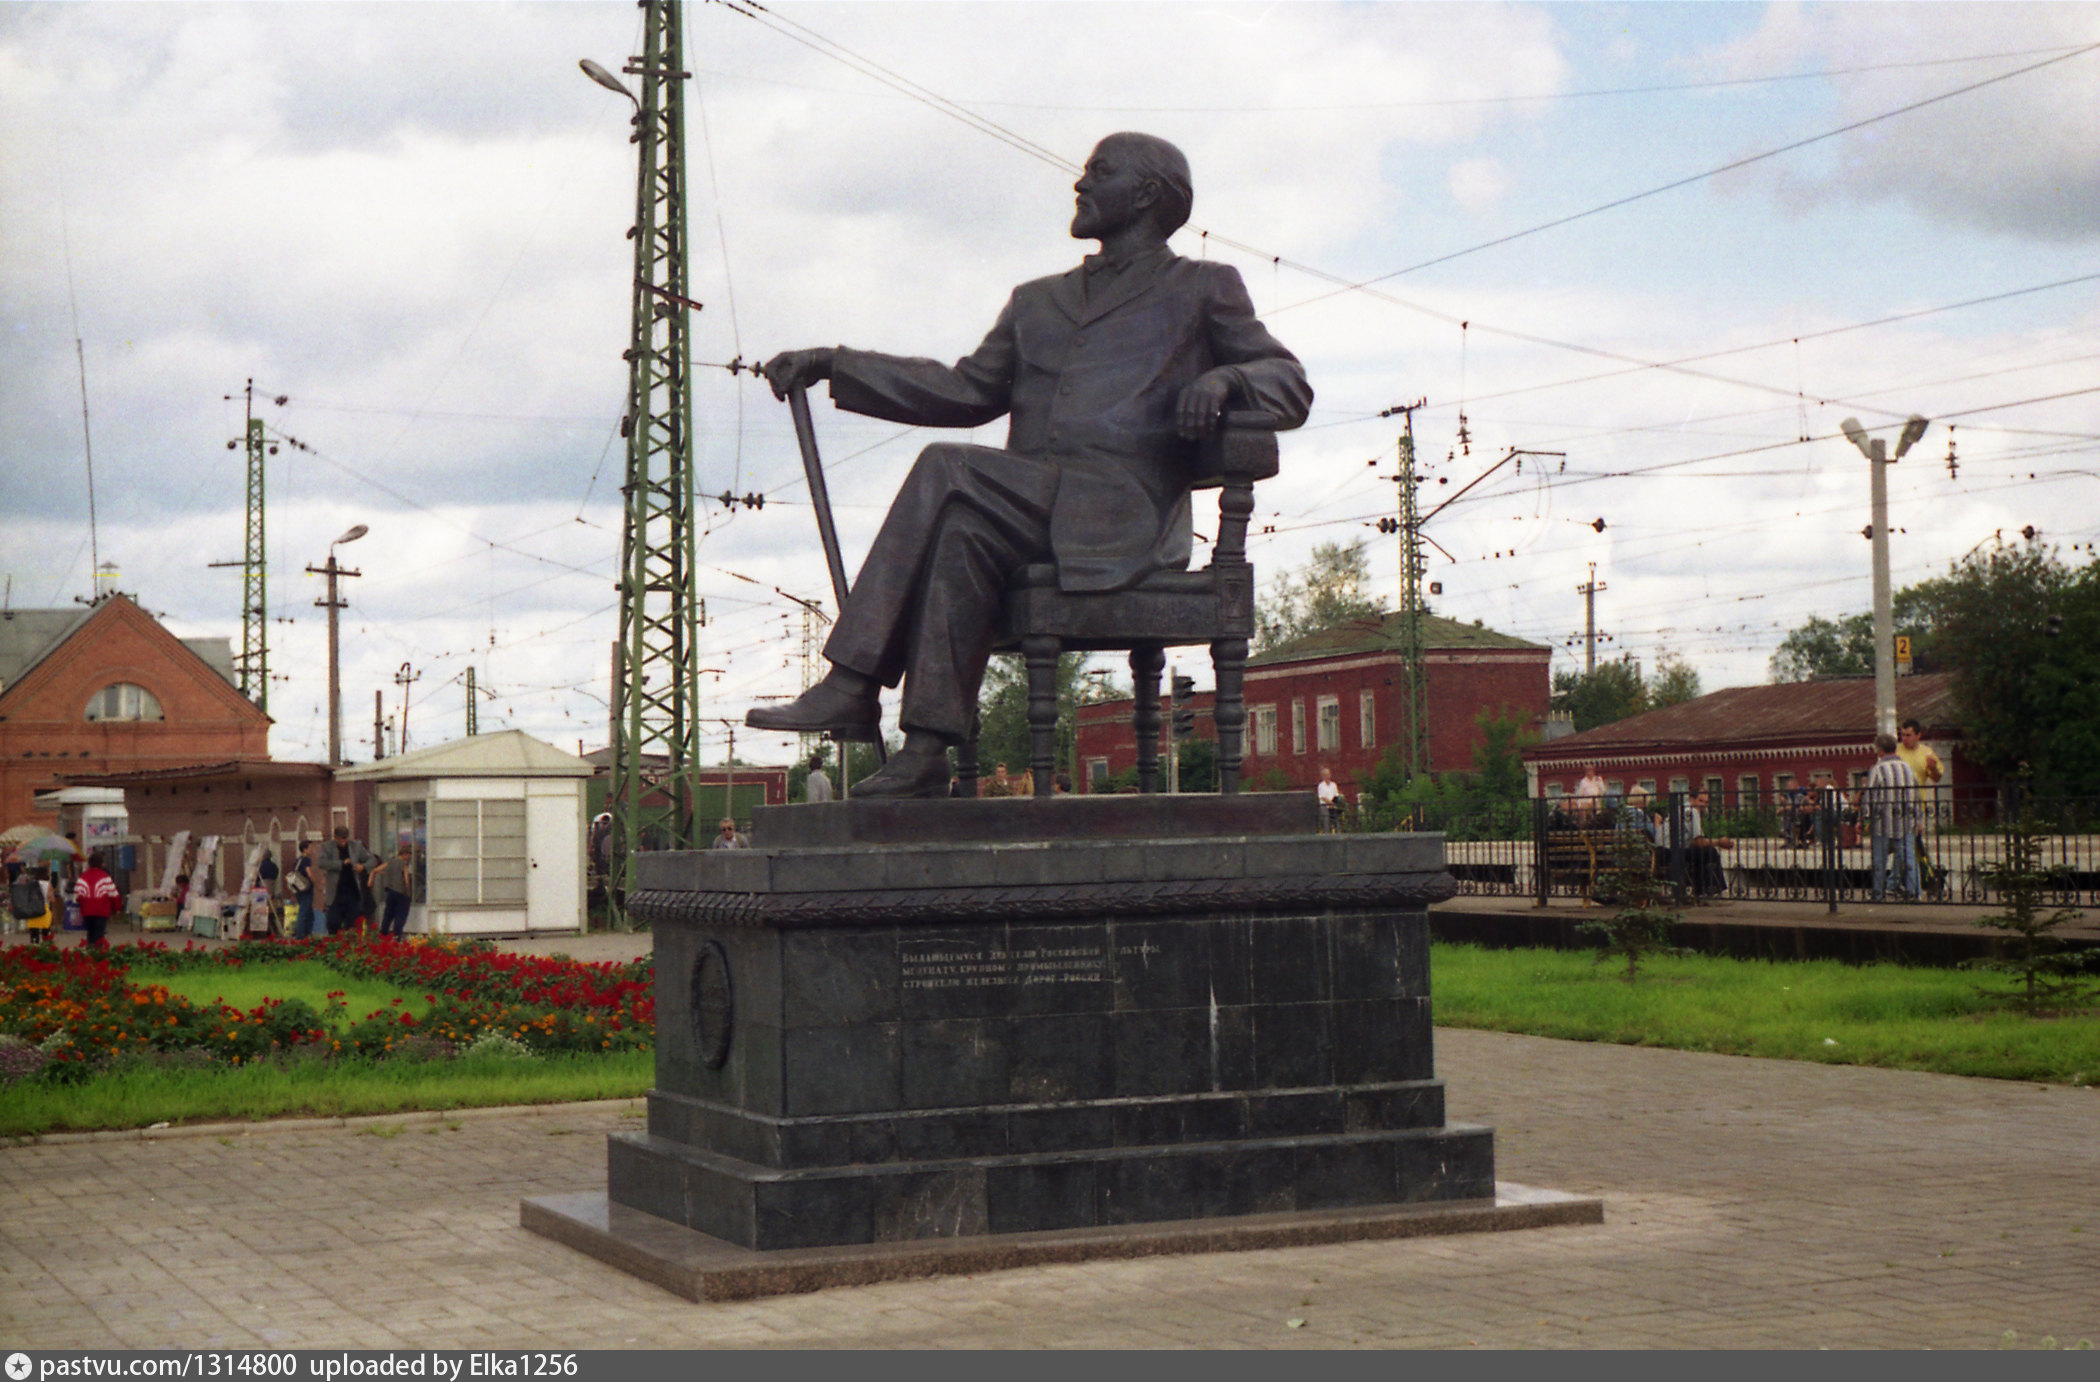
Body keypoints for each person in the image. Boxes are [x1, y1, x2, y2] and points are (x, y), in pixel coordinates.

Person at [747, 132, 1313, 797]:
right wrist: (834, 364)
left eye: (1098, 173)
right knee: (961, 533)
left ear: (1148, 194)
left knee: (945, 469)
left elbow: (1290, 382)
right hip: (1033, 509)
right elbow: (964, 390)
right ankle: (927, 748)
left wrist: (1228, 383)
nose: (1079, 185)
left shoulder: (1202, 287)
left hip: (1123, 516)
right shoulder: (1036, 300)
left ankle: (850, 683)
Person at [1860, 733, 1921, 903]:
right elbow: (1916, 794)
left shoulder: (1877, 769)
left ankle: (1878, 894)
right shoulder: (1908, 768)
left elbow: (1870, 796)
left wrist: (1864, 819)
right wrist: (1918, 818)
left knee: (1880, 861)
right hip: (1906, 821)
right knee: (1909, 860)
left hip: (1882, 823)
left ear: (1880, 751)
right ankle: (1914, 892)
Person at [319, 826, 373, 939]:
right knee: (333, 922)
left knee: (352, 922)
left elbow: (372, 860)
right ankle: (333, 943)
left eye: (345, 839)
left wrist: (363, 867)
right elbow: (322, 863)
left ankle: (349, 945)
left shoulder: (356, 846)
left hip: (352, 890)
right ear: (335, 837)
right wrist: (341, 863)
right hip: (335, 892)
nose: (343, 842)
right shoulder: (327, 847)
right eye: (340, 839)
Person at [74, 850, 119, 949]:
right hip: (101, 910)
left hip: (86, 911)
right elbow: (113, 894)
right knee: (99, 934)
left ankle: (90, 952)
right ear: (101, 863)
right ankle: (99, 955)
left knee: (90, 933)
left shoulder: (83, 876)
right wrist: (117, 908)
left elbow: (77, 895)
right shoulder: (105, 877)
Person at [374, 844, 415, 939]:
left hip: (390, 892)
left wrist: (386, 873)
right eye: (409, 855)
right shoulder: (403, 864)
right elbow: (406, 880)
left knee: (388, 913)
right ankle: (397, 935)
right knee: (400, 915)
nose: (409, 858)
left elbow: (376, 870)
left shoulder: (390, 862)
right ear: (404, 854)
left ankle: (383, 934)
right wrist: (408, 892)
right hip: (401, 893)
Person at [289, 839, 320, 939]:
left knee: (309, 913)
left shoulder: (297, 861)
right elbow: (309, 873)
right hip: (306, 890)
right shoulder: (306, 860)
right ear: (305, 849)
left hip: (299, 890)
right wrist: (316, 883)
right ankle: (300, 936)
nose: (312, 850)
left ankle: (307, 933)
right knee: (303, 912)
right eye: (310, 848)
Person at [1316, 765, 1344, 832]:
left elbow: (1336, 795)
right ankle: (1327, 835)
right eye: (1325, 775)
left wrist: (1333, 803)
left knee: (1336, 822)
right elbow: (1322, 797)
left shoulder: (1333, 785)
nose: (1327, 776)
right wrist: (1329, 803)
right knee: (1326, 822)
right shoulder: (1321, 786)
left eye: (1328, 774)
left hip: (1333, 806)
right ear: (1322, 776)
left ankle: (1338, 835)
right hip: (1325, 806)